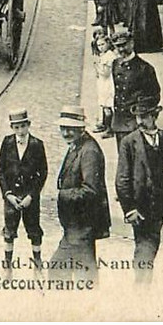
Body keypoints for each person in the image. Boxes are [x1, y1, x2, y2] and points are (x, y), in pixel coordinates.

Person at [116, 99, 163, 280]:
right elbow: (122, 179)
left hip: (161, 205)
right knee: (144, 246)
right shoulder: (129, 143)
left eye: (144, 117)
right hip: (140, 206)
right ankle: (142, 286)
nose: (139, 121)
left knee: (151, 245)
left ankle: (143, 283)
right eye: (137, 117)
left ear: (154, 116)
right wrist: (129, 209)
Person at [52, 105, 111, 272]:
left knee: (67, 271)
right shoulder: (78, 145)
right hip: (75, 225)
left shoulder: (89, 151)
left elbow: (91, 190)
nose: (65, 133)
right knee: (76, 271)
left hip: (83, 225)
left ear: (81, 128)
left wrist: (64, 195)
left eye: (70, 129)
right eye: (63, 128)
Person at [0, 108, 48, 269]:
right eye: (16, 127)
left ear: (28, 125)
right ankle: (8, 262)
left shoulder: (37, 145)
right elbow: (0, 170)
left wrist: (32, 195)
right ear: (12, 128)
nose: (20, 131)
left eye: (23, 126)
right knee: (9, 230)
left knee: (34, 229)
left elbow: (43, 172)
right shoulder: (7, 142)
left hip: (29, 197)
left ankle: (37, 260)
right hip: (12, 197)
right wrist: (7, 194)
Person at [111, 24, 161, 148]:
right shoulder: (115, 64)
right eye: (118, 46)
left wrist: (141, 114)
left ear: (132, 43)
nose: (121, 49)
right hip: (120, 122)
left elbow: (154, 95)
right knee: (123, 157)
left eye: (124, 45)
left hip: (136, 123)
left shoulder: (144, 68)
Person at [92, 31, 116, 135]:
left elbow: (106, 73)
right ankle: (104, 125)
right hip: (103, 83)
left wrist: (97, 66)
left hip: (108, 84)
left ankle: (109, 129)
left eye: (102, 44)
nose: (100, 47)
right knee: (103, 105)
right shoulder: (104, 55)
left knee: (107, 106)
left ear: (108, 43)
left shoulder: (110, 56)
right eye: (98, 45)